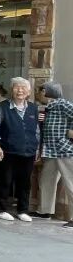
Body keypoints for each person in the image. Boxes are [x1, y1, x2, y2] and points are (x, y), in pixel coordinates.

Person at [0, 76, 39, 222]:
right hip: (7, 150)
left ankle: (22, 210)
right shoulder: (2, 107)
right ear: (12, 90)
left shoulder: (33, 108)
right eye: (17, 87)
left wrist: (37, 149)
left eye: (23, 88)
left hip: (28, 150)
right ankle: (1, 209)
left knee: (25, 182)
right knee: (5, 180)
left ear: (28, 92)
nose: (20, 90)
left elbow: (36, 130)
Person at [36, 82, 73, 223]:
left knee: (71, 183)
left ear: (45, 92)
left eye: (39, 91)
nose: (37, 95)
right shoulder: (48, 108)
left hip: (65, 150)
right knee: (46, 181)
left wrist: (70, 134)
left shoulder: (63, 104)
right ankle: (45, 211)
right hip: (50, 151)